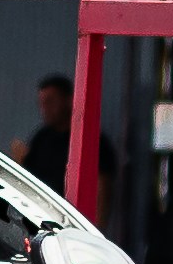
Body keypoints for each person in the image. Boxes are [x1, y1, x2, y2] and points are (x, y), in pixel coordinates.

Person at [21, 67, 115, 211]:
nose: (45, 108)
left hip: (75, 220)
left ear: (69, 100)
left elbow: (102, 188)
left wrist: (96, 228)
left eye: (51, 101)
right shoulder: (41, 138)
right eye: (42, 103)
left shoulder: (90, 140)